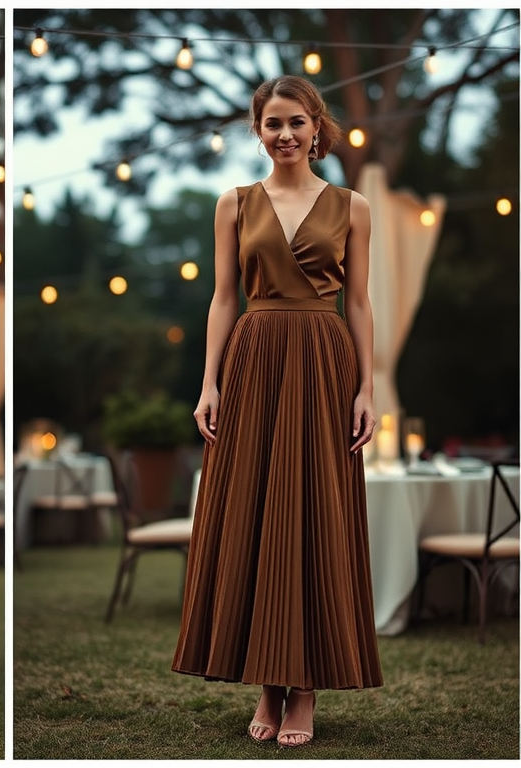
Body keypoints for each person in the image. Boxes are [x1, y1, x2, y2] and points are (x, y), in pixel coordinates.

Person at [171, 75, 383, 747]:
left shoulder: (353, 206)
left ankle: (306, 693)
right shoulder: (233, 204)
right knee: (254, 512)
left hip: (323, 362)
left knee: (315, 511)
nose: (285, 134)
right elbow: (223, 298)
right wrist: (209, 382)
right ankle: (266, 683)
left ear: (317, 127)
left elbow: (359, 303)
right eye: (272, 124)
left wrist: (367, 389)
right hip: (254, 359)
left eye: (296, 122)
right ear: (257, 132)